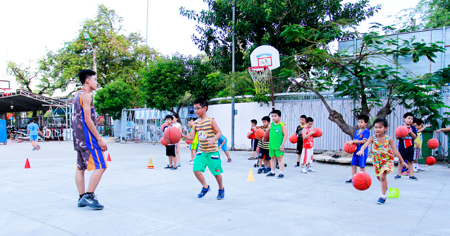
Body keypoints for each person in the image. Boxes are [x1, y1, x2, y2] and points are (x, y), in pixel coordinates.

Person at [72, 69, 108, 210]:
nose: (96, 82)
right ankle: (89, 195)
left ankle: (81, 197)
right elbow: (86, 119)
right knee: (101, 166)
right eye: (94, 79)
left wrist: (96, 122)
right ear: (88, 81)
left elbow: (83, 118)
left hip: (78, 139)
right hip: (89, 140)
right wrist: (99, 138)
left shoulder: (77, 96)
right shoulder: (86, 96)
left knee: (80, 168)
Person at [182, 97, 225, 200]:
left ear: (205, 108)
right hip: (201, 151)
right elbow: (192, 137)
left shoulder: (211, 120)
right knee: (196, 170)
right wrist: (182, 135)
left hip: (212, 152)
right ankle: (205, 187)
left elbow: (219, 132)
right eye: (194, 109)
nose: (196, 111)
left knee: (216, 173)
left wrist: (213, 139)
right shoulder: (196, 123)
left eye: (198, 108)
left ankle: (221, 189)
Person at [357, 118, 407, 204]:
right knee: (379, 177)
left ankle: (382, 196)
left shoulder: (388, 139)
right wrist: (361, 150)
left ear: (385, 128)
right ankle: (385, 185)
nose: (377, 129)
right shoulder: (372, 138)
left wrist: (402, 161)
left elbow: (395, 151)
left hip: (387, 160)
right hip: (377, 161)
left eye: (380, 127)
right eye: (376, 127)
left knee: (383, 177)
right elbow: (364, 145)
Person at [345, 115, 370, 183]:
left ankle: (363, 179)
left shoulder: (366, 131)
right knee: (353, 164)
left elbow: (364, 141)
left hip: (362, 150)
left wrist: (354, 141)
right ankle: (354, 178)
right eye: (359, 122)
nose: (360, 123)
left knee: (361, 165)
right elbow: (355, 140)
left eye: (362, 122)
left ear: (366, 123)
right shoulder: (357, 131)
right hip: (356, 150)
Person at [394, 112, 418, 180]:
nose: (410, 120)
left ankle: (411, 175)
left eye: (412, 119)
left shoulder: (413, 128)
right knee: (401, 161)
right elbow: (397, 137)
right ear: (404, 119)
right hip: (402, 147)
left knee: (410, 161)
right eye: (409, 118)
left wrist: (410, 132)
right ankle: (399, 174)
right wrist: (399, 135)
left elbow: (415, 137)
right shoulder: (400, 128)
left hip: (410, 147)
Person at [265, 110, 287, 178]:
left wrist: (282, 145)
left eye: (275, 116)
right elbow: (268, 133)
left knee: (280, 158)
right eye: (272, 116)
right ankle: (272, 171)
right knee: (272, 158)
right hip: (271, 145)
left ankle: (281, 172)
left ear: (279, 117)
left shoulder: (282, 125)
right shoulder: (271, 124)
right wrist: (264, 138)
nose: (273, 118)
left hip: (278, 145)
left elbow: (285, 135)